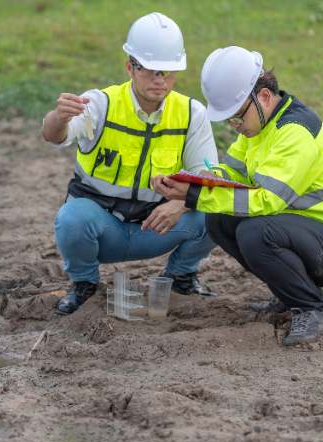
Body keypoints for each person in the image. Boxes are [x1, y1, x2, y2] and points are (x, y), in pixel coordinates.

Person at [152, 46, 323, 346]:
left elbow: (266, 202)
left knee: (256, 232)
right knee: (220, 220)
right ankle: (291, 295)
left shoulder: (294, 132)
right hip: (316, 233)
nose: (235, 126)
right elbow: (233, 171)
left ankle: (312, 308)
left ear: (262, 96)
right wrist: (199, 181)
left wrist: (194, 196)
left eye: (236, 118)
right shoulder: (259, 124)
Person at [42, 12, 218, 315]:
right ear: (130, 67)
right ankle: (84, 283)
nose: (160, 80)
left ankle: (181, 276)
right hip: (101, 227)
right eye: (151, 70)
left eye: (168, 71)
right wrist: (58, 117)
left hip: (157, 226)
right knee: (72, 218)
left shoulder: (192, 113)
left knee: (219, 214)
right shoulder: (100, 104)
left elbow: (210, 176)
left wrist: (182, 204)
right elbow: (54, 136)